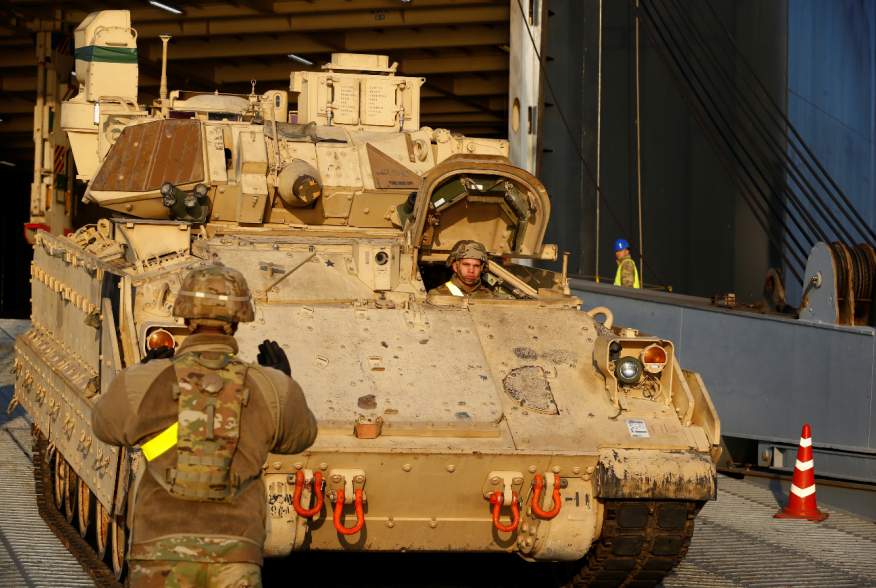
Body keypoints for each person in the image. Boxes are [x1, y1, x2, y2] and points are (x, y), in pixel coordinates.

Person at [93, 263, 317, 588]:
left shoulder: (146, 381)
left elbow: (104, 425)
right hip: (235, 553)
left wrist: (144, 376)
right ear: (238, 321)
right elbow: (301, 436)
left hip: (159, 548)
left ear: (185, 318)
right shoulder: (271, 388)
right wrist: (285, 380)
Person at [428, 239, 497, 298]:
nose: (471, 270)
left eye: (476, 266)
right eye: (466, 264)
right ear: (455, 266)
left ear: (481, 268)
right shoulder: (438, 295)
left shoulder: (490, 297)